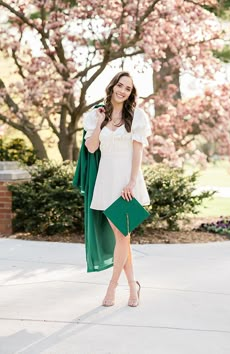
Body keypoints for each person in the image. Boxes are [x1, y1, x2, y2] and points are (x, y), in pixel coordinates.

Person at [83, 71, 151, 307]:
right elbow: (91, 149)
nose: (122, 90)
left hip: (126, 182)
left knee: (122, 236)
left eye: (128, 88)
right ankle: (133, 286)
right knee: (123, 238)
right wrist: (100, 124)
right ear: (112, 87)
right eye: (120, 85)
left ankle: (113, 287)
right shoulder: (96, 115)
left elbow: (138, 151)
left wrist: (132, 181)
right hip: (106, 180)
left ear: (131, 93)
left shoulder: (137, 116)